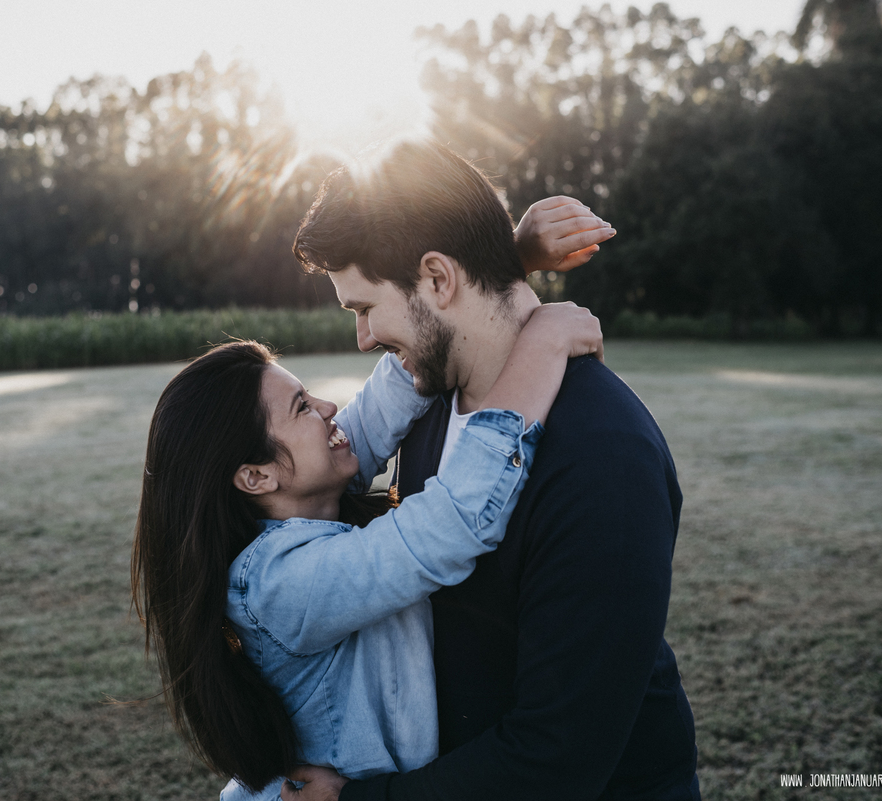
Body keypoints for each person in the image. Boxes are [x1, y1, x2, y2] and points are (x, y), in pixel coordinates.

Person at [285, 139, 700, 801]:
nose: (363, 339)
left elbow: (556, 761)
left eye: (363, 309)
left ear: (438, 279)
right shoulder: (429, 400)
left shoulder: (604, 456)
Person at [130, 304, 605, 799]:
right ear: (256, 476)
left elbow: (383, 406)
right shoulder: (281, 583)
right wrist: (543, 345)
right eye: (301, 407)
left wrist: (463, 299)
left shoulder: (303, 504)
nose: (327, 407)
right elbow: (451, 523)